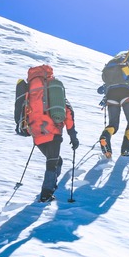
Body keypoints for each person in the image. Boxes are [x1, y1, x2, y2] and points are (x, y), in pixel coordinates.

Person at [20, 65, 79, 203]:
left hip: (36, 133)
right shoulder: (54, 88)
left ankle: (50, 186)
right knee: (52, 163)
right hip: (52, 131)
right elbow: (68, 112)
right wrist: (73, 135)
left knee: (56, 161)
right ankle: (46, 194)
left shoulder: (30, 89)